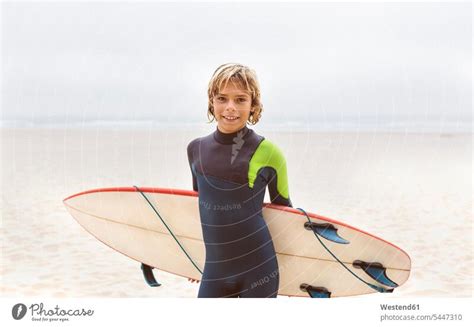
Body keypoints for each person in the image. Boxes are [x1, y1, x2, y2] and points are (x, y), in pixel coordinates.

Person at [186, 63, 292, 298]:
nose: (230, 107)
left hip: (259, 270)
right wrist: (192, 258)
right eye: (222, 98)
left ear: (253, 105)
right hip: (214, 270)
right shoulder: (196, 149)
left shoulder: (269, 153)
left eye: (240, 99)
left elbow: (286, 215)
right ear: (211, 102)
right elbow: (201, 209)